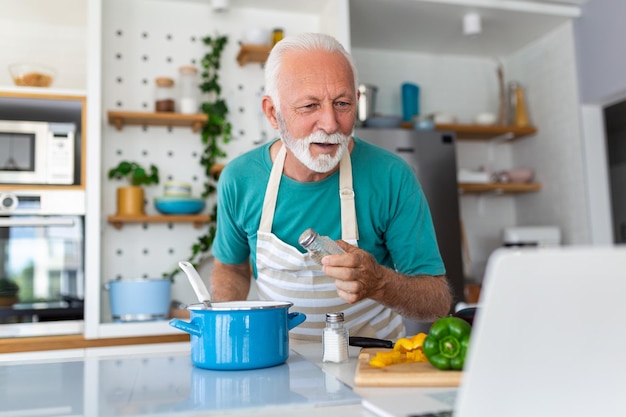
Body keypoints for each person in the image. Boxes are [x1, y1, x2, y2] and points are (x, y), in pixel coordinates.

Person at [210, 32, 452, 341]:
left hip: (371, 361)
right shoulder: (240, 179)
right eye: (310, 105)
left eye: (342, 103)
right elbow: (231, 267)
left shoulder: (392, 176)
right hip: (280, 359)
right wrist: (226, 321)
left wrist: (379, 282)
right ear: (273, 112)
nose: (330, 123)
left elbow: (436, 301)